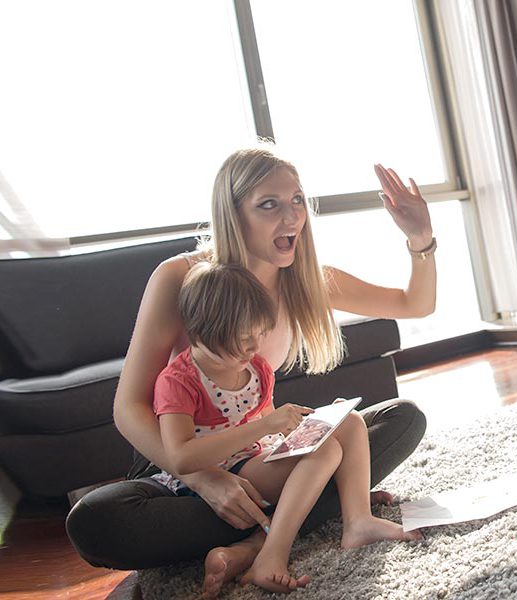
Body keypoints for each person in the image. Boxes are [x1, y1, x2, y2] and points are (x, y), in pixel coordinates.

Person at [65, 146, 436, 597]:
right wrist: (207, 481)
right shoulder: (182, 278)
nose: (292, 216)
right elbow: (128, 409)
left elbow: (415, 304)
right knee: (95, 520)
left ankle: (265, 535)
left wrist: (420, 238)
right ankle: (313, 510)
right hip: (182, 458)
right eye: (269, 204)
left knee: (402, 418)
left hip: (262, 454)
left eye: (297, 200)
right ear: (233, 213)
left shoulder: (306, 279)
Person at [154, 262, 419, 593]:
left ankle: (358, 520)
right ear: (205, 329)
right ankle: (270, 555)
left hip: (255, 458)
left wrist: (308, 428)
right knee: (327, 453)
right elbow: (181, 458)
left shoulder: (256, 369)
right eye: (243, 338)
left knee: (348, 423)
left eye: (258, 334)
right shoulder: (179, 381)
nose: (253, 346)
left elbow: (265, 423)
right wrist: (269, 426)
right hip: (218, 476)